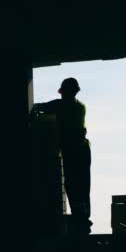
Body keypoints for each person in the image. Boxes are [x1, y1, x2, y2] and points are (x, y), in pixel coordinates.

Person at [31, 78, 92, 234]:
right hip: (84, 150)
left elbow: (39, 107)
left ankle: (80, 221)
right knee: (83, 186)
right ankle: (83, 219)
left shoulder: (60, 105)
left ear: (63, 92)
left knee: (72, 185)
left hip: (72, 150)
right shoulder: (80, 106)